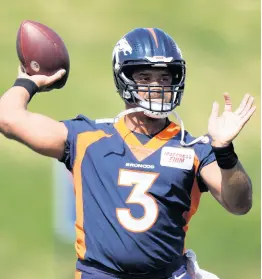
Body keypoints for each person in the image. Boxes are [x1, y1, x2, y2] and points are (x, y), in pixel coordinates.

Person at [0, 27, 255, 279]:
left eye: (165, 78)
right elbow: (8, 118)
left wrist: (225, 151)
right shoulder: (87, 137)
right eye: (145, 77)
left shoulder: (193, 148)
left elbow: (239, 204)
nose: (157, 86)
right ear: (125, 79)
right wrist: (28, 81)